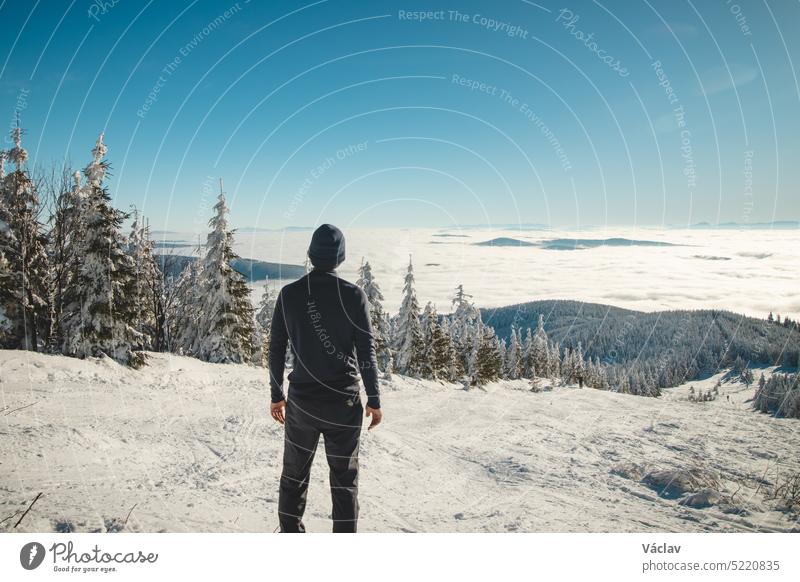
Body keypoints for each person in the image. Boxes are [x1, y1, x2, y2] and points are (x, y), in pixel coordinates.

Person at [268, 224, 382, 533]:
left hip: (302, 404)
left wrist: (276, 395)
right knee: (345, 484)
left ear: (310, 254)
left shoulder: (289, 295)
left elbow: (276, 348)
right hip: (343, 405)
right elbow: (366, 354)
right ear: (340, 258)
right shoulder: (354, 296)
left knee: (293, 476)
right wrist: (374, 400)